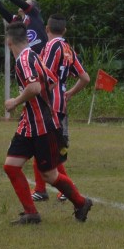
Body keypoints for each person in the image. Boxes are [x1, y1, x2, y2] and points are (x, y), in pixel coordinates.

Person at [2, 21, 93, 225]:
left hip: (43, 127)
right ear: (26, 39)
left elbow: (34, 87)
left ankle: (81, 202)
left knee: (50, 175)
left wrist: (15, 102)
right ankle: (31, 213)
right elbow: (51, 82)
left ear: (9, 41)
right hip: (29, 125)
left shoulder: (24, 60)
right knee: (11, 166)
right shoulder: (34, 55)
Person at [31, 14, 91, 202]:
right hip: (61, 104)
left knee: (42, 147)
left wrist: (32, 94)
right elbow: (85, 78)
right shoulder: (67, 48)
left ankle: (59, 189)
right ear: (64, 30)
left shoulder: (51, 46)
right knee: (47, 148)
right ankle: (44, 189)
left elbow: (46, 76)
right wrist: (70, 93)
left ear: (47, 29)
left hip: (48, 104)